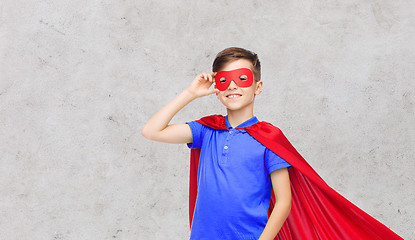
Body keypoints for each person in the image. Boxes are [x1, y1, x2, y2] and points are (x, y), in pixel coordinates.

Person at [142, 47, 403, 240]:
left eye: (242, 78)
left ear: (257, 87)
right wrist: (190, 93)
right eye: (224, 80)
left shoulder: (268, 138)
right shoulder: (206, 131)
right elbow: (151, 131)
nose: (232, 85)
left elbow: (284, 202)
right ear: (217, 88)